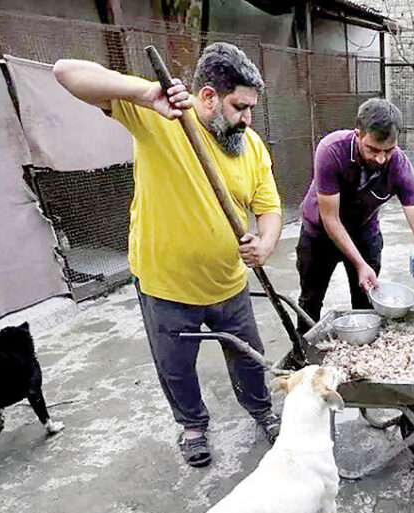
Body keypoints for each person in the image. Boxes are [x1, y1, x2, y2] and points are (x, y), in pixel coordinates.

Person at [53, 43, 283, 468]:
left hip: (228, 282)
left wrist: (266, 243)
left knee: (249, 356)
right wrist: (144, 94)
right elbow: (66, 70)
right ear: (209, 97)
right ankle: (193, 426)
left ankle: (261, 410)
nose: (248, 119)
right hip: (166, 286)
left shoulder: (250, 146)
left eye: (250, 108)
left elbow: (268, 207)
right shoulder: (161, 119)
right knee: (176, 366)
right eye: (239, 107)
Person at [296, 98, 414, 331]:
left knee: (366, 303)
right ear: (358, 135)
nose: (381, 158)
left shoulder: (400, 168)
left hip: (364, 233)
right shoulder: (331, 150)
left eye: (389, 151)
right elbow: (330, 219)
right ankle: (302, 357)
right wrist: (360, 264)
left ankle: (361, 355)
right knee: (310, 301)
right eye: (373, 149)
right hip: (320, 234)